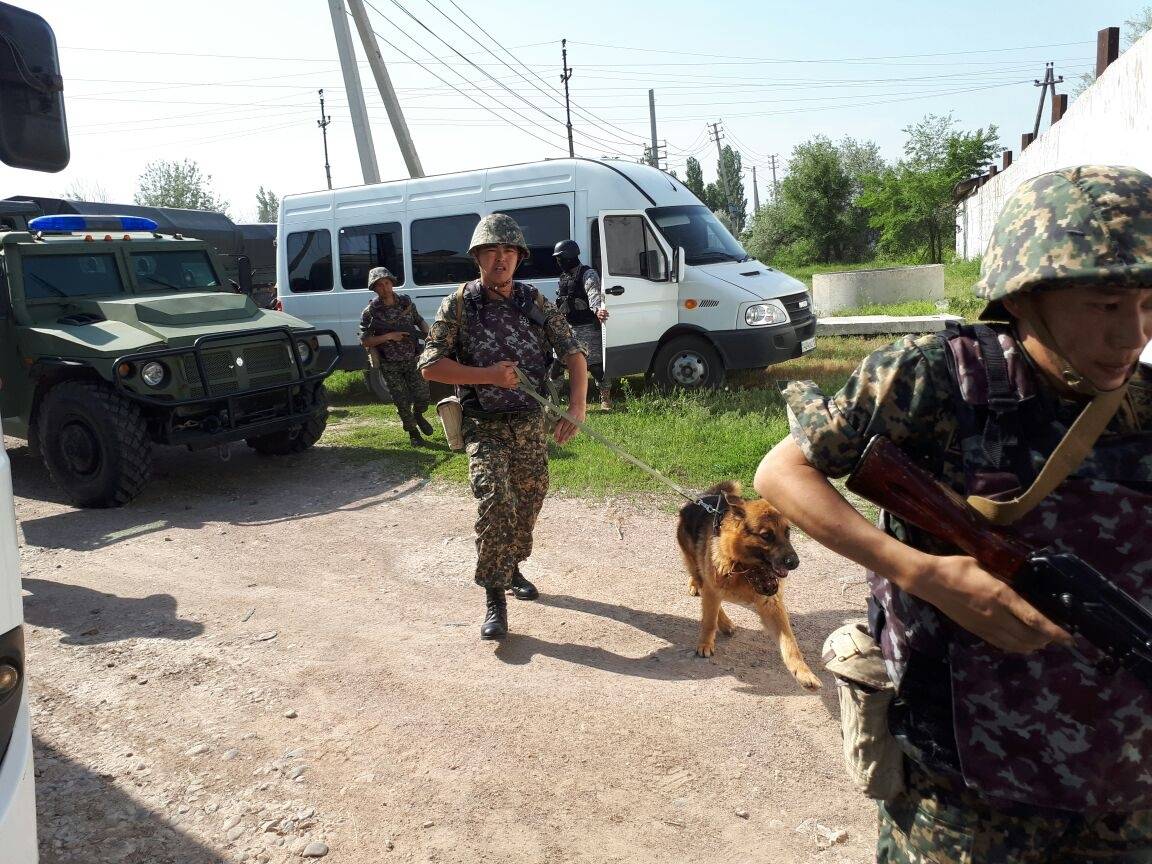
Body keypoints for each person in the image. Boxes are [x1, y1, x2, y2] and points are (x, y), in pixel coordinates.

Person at [753, 165, 1152, 862]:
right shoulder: (937, 380)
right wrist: (926, 574)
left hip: (1123, 795)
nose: (1133, 336)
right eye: (1107, 306)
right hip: (961, 798)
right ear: (1026, 298)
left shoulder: (1143, 407)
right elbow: (783, 471)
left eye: (1149, 305)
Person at [419, 213, 588, 640]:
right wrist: (488, 376)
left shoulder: (534, 301)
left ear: (519, 257)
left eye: (509, 252)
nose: (501, 260)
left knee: (528, 503)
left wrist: (577, 408)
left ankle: (511, 566)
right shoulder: (459, 304)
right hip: (484, 424)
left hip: (531, 423)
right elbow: (429, 366)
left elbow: (574, 353)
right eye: (492, 252)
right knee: (496, 502)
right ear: (477, 257)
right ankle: (494, 596)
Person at [358, 266, 434, 447]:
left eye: (386, 283)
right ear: (374, 288)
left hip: (413, 358)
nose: (384, 288)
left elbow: (419, 321)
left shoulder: (406, 304)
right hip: (389, 363)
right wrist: (389, 337)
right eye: (379, 285)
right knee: (401, 401)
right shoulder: (370, 312)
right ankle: (413, 433)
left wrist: (430, 336)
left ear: (392, 283)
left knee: (423, 396)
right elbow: (365, 340)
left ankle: (418, 414)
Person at [553, 239, 612, 410]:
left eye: (560, 258)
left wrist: (597, 310)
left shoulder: (588, 273)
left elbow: (593, 293)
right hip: (567, 329)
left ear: (570, 257)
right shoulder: (564, 277)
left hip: (587, 328)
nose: (558, 262)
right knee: (557, 367)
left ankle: (605, 398)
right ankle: (553, 400)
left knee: (595, 367)